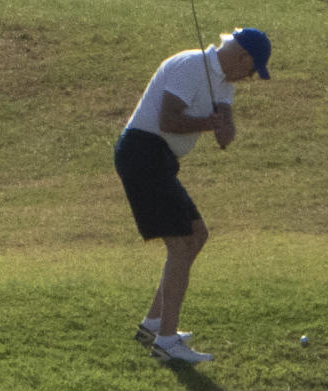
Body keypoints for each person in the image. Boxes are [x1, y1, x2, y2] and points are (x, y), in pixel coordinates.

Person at [114, 27, 272, 363]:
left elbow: (224, 137)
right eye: (251, 70)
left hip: (159, 158)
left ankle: (154, 323)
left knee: (197, 234)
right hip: (143, 152)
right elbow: (168, 119)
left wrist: (223, 126)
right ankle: (166, 342)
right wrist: (207, 122)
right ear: (242, 57)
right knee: (180, 243)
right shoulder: (190, 65)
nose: (249, 78)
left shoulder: (224, 83)